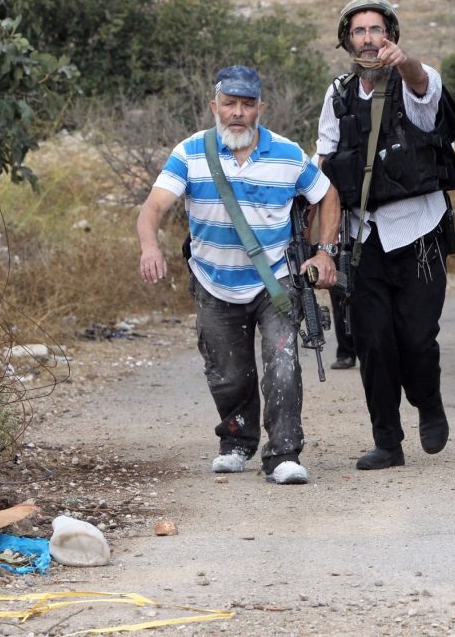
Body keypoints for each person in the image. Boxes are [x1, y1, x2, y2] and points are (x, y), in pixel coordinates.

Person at [137, 65, 340, 485]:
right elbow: (154, 206)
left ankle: (284, 453)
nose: (238, 112)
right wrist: (149, 246)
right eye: (229, 103)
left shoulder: (286, 153)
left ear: (260, 109)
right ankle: (235, 441)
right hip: (213, 280)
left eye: (247, 105)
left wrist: (324, 252)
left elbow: (327, 194)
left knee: (282, 364)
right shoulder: (191, 152)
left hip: (276, 283)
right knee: (227, 372)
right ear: (215, 106)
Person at [316, 0, 454, 471]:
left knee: (416, 338)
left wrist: (407, 61)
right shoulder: (337, 95)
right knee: (373, 343)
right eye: (359, 31)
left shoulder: (417, 81)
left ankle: (428, 402)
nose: (369, 39)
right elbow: (324, 168)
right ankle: (387, 442)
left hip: (419, 231)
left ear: (390, 34)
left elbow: (422, 86)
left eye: (377, 30)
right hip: (363, 237)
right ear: (346, 39)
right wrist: (321, 244)